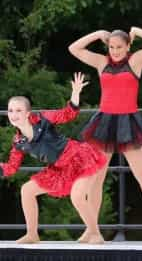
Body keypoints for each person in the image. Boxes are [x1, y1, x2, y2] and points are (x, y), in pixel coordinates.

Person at [68, 27, 142, 242]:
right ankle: (92, 229)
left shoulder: (136, 61)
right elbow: (74, 48)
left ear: (128, 46)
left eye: (119, 47)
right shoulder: (101, 62)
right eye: (112, 47)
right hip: (104, 123)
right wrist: (97, 34)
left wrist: (137, 31)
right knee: (97, 179)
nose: (115, 51)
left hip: (128, 122)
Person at [1, 73, 105, 244]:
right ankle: (32, 234)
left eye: (18, 110)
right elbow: (12, 167)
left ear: (28, 113)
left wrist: (75, 94)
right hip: (58, 169)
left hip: (78, 158)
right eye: (11, 110)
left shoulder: (43, 119)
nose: (14, 114)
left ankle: (95, 233)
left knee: (78, 196)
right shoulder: (18, 142)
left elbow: (67, 114)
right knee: (27, 190)